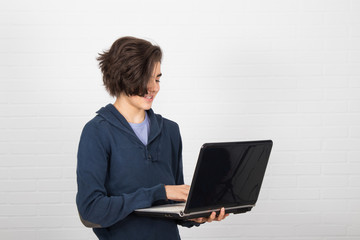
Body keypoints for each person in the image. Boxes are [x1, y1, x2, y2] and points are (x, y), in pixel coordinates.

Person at [76, 36, 228, 240]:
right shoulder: (96, 132)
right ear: (124, 77)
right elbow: (91, 211)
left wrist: (195, 215)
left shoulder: (170, 131)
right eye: (146, 78)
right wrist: (160, 192)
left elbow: (173, 207)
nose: (154, 87)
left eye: (157, 79)